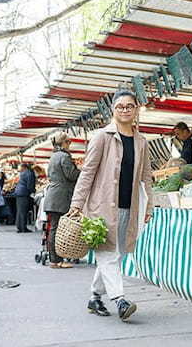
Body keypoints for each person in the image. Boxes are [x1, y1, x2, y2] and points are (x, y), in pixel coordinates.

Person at [70, 90, 153, 321]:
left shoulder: (142, 141)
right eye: (120, 106)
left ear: (136, 109)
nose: (125, 110)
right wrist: (77, 204)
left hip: (129, 206)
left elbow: (147, 175)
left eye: (129, 106)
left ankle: (95, 296)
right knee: (107, 253)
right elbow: (87, 173)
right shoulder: (101, 137)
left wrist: (149, 206)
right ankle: (119, 299)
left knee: (117, 254)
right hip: (101, 207)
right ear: (113, 110)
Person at [44, 132, 81, 269]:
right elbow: (70, 175)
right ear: (64, 143)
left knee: (54, 228)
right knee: (57, 229)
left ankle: (54, 259)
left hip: (53, 196)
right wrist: (81, 171)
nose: (70, 145)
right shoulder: (64, 156)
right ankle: (56, 260)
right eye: (69, 142)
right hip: (60, 197)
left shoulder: (54, 156)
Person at [14, 163, 36, 233]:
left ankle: (19, 226)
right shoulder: (29, 173)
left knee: (20, 211)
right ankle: (23, 228)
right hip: (24, 193)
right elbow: (30, 185)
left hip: (19, 192)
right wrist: (33, 191)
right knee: (23, 211)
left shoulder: (23, 173)